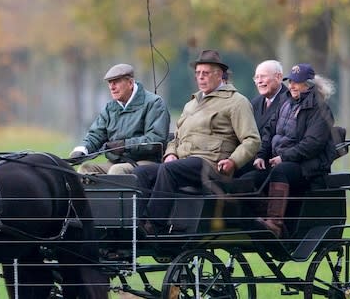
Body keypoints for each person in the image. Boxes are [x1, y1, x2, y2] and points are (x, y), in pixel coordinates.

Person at [134, 49, 261, 234]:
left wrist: (233, 161)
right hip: (185, 162)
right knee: (142, 171)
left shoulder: (236, 102)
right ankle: (136, 224)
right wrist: (171, 153)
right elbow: (176, 137)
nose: (200, 77)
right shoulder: (191, 104)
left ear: (219, 75)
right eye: (198, 73)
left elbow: (252, 139)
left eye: (206, 73)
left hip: (212, 164)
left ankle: (154, 225)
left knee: (169, 170)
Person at [247, 63, 337, 238]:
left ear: (309, 85)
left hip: (308, 167)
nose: (292, 86)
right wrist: (260, 156)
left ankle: (275, 223)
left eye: (297, 82)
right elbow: (268, 132)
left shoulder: (320, 110)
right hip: (282, 161)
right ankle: (255, 221)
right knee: (253, 176)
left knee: (281, 171)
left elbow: (312, 144)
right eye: (290, 82)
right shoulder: (285, 103)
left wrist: (284, 157)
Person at [69, 63, 170, 174]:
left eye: (116, 82)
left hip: (147, 162)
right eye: (110, 83)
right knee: (86, 169)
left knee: (117, 170)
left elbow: (155, 140)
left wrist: (124, 145)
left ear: (130, 83)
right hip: (116, 162)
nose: (112, 87)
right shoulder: (110, 108)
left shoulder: (154, 103)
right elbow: (96, 135)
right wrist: (82, 150)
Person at [235, 60, 288, 177]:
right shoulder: (254, 103)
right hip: (252, 157)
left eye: (263, 76)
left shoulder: (289, 101)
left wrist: (261, 156)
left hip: (273, 162)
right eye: (256, 77)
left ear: (278, 77)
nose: (259, 81)